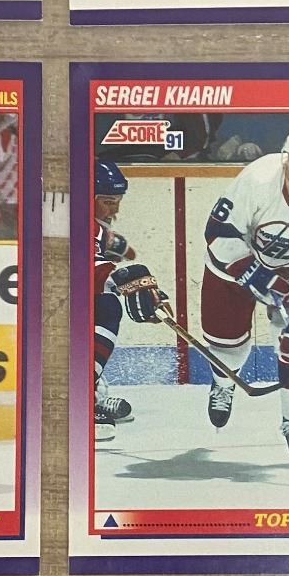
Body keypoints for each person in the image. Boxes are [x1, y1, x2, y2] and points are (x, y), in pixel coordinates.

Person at [201, 121, 289, 458]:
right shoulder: (258, 176)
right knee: (225, 343)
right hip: (234, 258)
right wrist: (252, 272)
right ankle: (223, 384)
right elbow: (218, 230)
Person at [90, 158, 169, 431]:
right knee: (106, 306)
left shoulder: (95, 225)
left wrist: (143, 287)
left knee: (104, 302)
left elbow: (107, 250)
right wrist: (122, 276)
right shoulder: (77, 221)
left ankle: (93, 391)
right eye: (108, 202)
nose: (115, 209)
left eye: (118, 201)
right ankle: (82, 392)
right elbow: (79, 266)